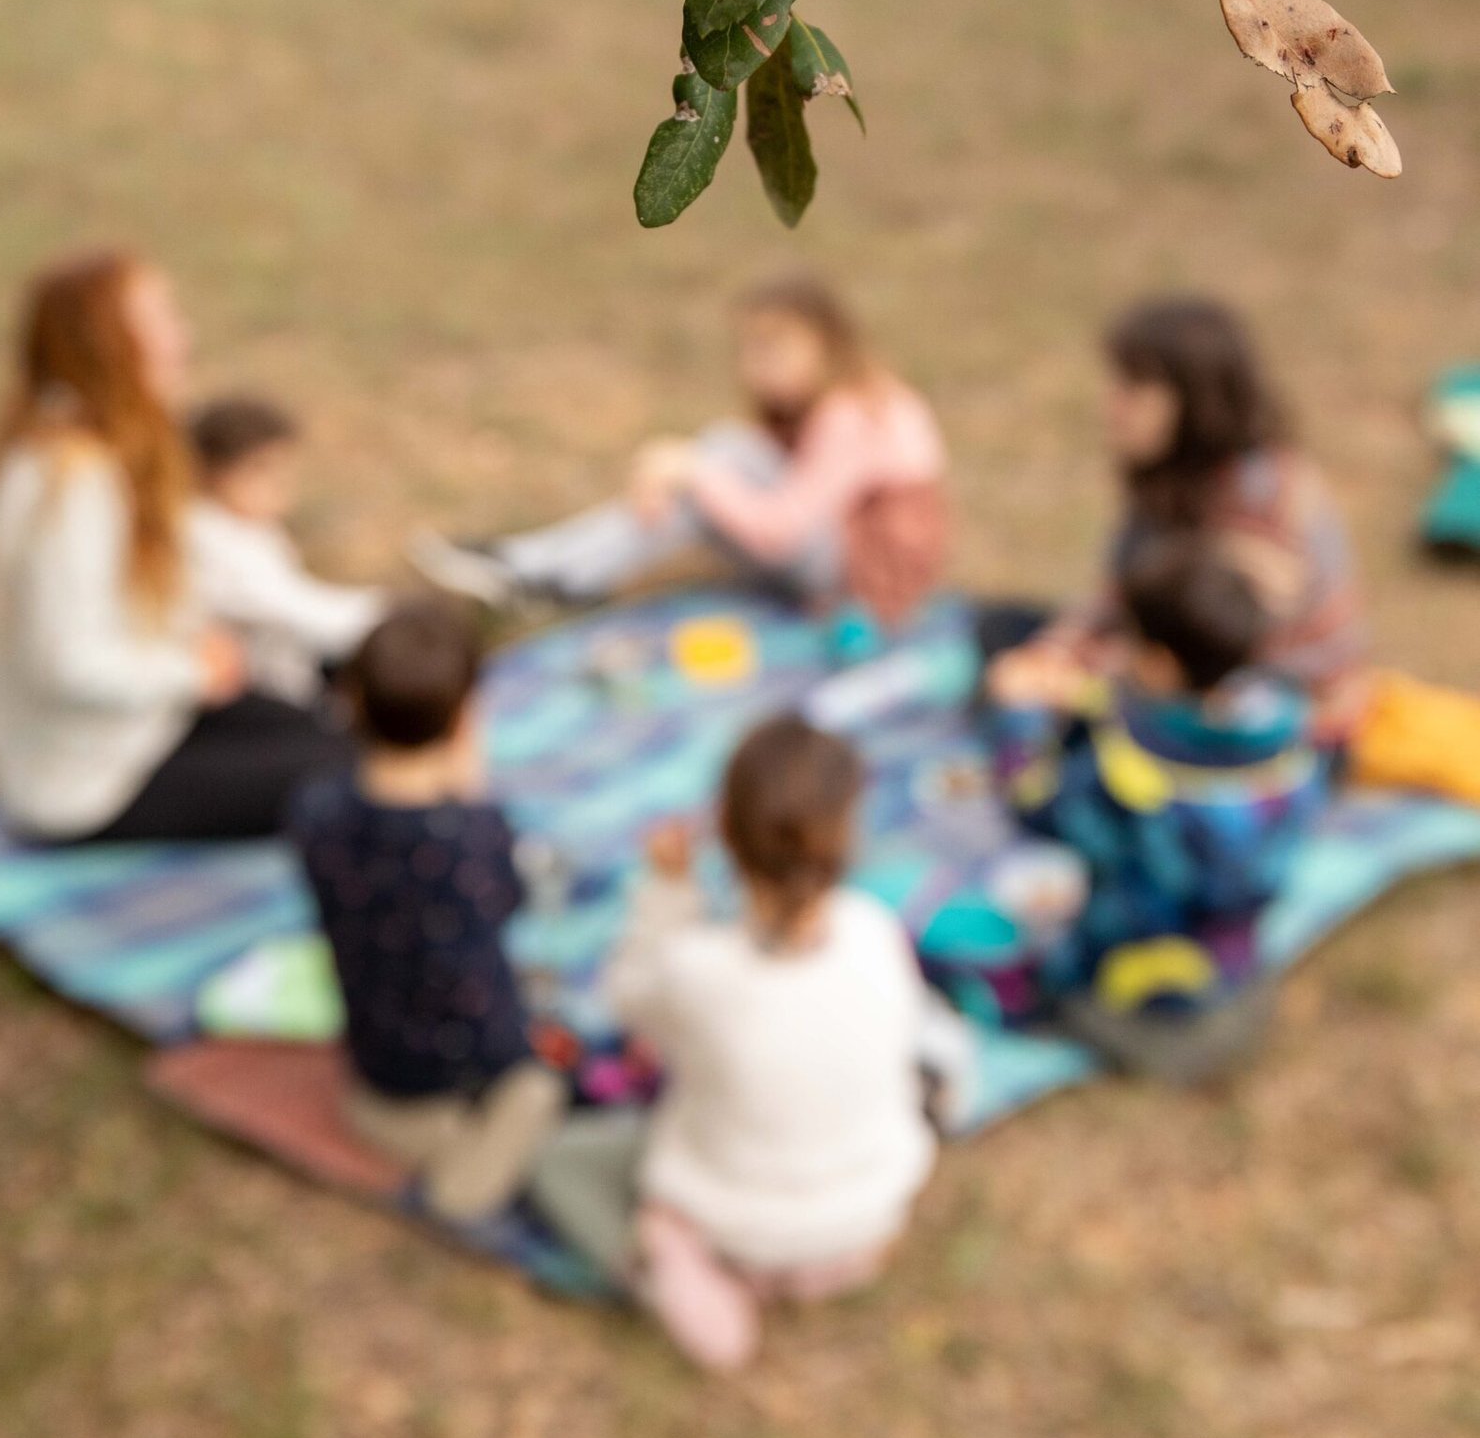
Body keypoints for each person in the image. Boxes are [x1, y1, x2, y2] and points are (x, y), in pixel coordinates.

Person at [529, 715, 942, 1371]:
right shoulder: (876, 932)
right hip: (869, 1219)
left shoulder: (697, 971)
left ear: (724, 831)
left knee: (556, 1160)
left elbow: (627, 995)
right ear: (847, 836)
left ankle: (659, 1270)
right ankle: (797, 1270)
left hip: (736, 1230)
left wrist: (667, 890)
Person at [0, 250, 352, 842]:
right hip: (84, 787)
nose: (181, 337)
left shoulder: (88, 449)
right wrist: (191, 670)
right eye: (160, 320)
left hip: (141, 728)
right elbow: (68, 665)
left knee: (346, 734)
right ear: (106, 345)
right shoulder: (70, 483)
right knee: (351, 770)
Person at [415, 274, 949, 631]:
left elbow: (780, 530)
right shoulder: (832, 400)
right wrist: (684, 469)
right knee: (723, 449)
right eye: (750, 349)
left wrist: (691, 472)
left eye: (774, 348)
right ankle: (537, 567)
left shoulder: (850, 414)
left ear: (827, 343)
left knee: (707, 475)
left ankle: (546, 576)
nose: (756, 366)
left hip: (859, 587)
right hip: (838, 549)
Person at [985, 532, 1328, 1083]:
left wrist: (1018, 718)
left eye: (1129, 642)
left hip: (1145, 984)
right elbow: (1181, 723)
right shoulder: (1288, 727)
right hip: (1237, 956)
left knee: (1015, 963)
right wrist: (1095, 697)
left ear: (1163, 664)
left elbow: (1034, 802)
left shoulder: (1126, 781)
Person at [289, 598, 566, 1220]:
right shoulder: (470, 836)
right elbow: (508, 902)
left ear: (352, 703)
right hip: (468, 1060)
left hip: (376, 1060)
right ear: (466, 718)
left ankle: (424, 1134)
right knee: (539, 1084)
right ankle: (466, 1168)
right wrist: (472, 796)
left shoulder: (315, 812)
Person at [997, 295, 1369, 746]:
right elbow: (1120, 596)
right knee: (999, 630)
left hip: (1273, 721)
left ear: (1193, 401)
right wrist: (1052, 653)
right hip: (1178, 676)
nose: (1110, 406)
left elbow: (1211, 665)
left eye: (1132, 390)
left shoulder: (1259, 505)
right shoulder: (1174, 480)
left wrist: (1073, 680)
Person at [186, 394, 384, 705]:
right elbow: (301, 612)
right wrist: (389, 615)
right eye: (262, 470)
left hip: (288, 669)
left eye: (285, 471)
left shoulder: (252, 529)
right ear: (213, 472)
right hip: (249, 694)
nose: (280, 485)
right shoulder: (208, 541)